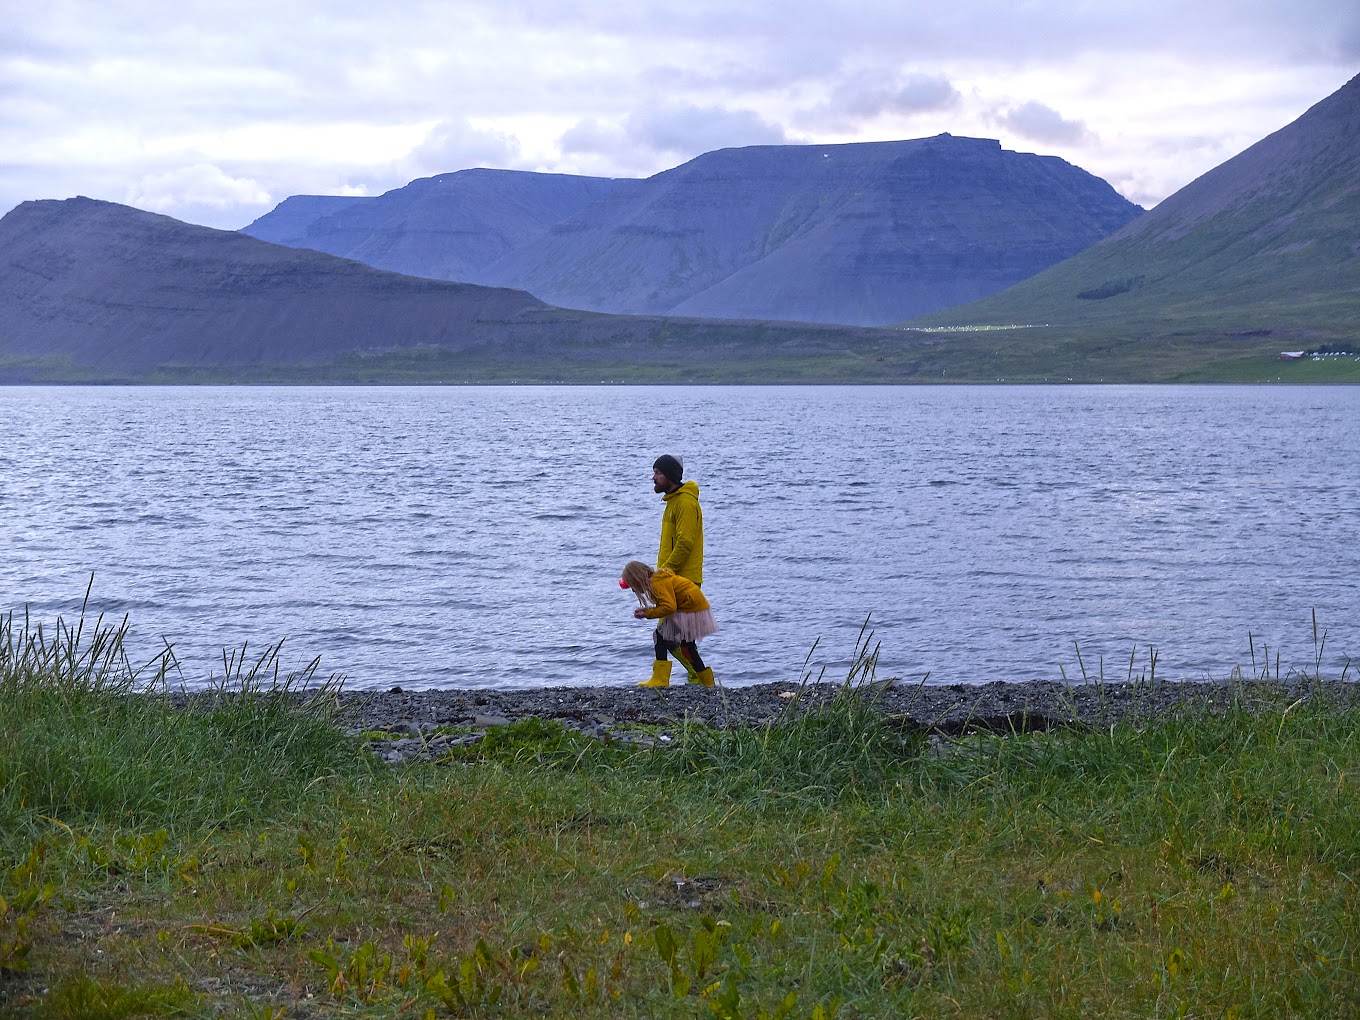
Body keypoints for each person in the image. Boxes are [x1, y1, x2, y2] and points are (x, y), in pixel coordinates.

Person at [620, 559, 717, 687]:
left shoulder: (656, 583)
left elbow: (669, 607)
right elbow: (668, 602)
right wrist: (649, 610)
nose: (633, 590)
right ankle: (708, 683)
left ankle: (660, 679)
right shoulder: (659, 579)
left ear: (637, 579)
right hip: (696, 609)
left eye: (632, 586)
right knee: (687, 648)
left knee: (660, 636)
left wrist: (648, 613)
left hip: (690, 611)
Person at [652, 454, 703, 587]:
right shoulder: (673, 502)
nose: (654, 478)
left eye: (658, 473)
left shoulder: (685, 503)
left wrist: (664, 572)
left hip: (683, 581)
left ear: (669, 475)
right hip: (671, 578)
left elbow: (685, 543)